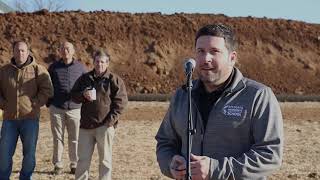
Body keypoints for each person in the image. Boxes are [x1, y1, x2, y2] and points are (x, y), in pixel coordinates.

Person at [155, 24, 283, 180]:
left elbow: (270, 154)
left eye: (214, 51)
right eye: (200, 51)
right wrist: (170, 164)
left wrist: (215, 169)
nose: (205, 58)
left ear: (232, 58)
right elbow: (165, 142)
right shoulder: (182, 95)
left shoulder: (258, 96)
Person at [71, 49, 128, 180]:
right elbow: (73, 95)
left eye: (102, 62)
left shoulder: (114, 80)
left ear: (107, 63)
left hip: (105, 127)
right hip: (86, 126)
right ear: (93, 62)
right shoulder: (85, 79)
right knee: (83, 161)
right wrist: (82, 95)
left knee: (105, 161)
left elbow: (121, 103)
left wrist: (109, 123)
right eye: (97, 61)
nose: (99, 64)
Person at [0, 41, 53, 180]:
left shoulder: (38, 69)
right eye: (17, 50)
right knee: (4, 154)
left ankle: (25, 177)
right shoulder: (4, 71)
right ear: (13, 52)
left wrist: (35, 103)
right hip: (9, 120)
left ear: (28, 52)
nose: (20, 53)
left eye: (23, 51)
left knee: (29, 155)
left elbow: (48, 90)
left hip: (30, 119)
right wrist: (3, 104)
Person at [47, 41, 87, 174]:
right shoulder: (53, 67)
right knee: (58, 138)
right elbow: (47, 85)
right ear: (59, 51)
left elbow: (86, 86)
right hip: (57, 108)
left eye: (68, 48)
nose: (65, 51)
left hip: (75, 108)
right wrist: (49, 103)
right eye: (63, 48)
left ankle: (74, 164)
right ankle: (58, 165)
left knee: (74, 138)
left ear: (73, 51)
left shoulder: (80, 68)